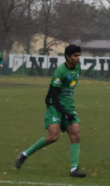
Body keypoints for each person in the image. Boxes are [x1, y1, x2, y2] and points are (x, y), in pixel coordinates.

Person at [14, 44, 87, 177]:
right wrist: (65, 113)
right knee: (54, 136)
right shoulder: (60, 71)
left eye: (79, 55)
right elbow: (53, 96)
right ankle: (24, 154)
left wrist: (70, 110)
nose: (78, 58)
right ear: (67, 57)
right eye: (75, 56)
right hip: (55, 106)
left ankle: (74, 169)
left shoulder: (77, 68)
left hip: (69, 107)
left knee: (75, 135)